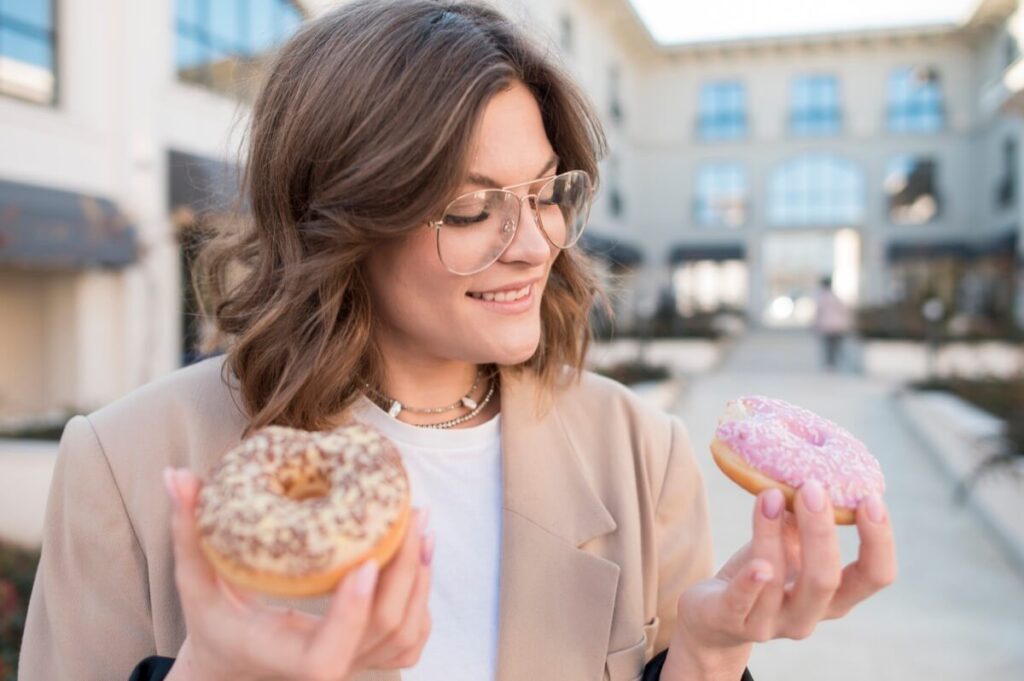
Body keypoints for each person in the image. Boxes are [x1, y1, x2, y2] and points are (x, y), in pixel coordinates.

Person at [18, 2, 897, 680]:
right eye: (472, 207)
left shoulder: (643, 454)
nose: (535, 243)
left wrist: (707, 653)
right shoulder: (124, 464)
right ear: (340, 219)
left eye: (548, 191)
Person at [814, 277, 852, 371]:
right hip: (838, 325)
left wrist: (816, 324)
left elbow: (818, 312)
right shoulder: (836, 297)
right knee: (837, 346)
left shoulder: (822, 298)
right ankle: (838, 363)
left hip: (827, 326)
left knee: (829, 346)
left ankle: (830, 365)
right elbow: (844, 310)